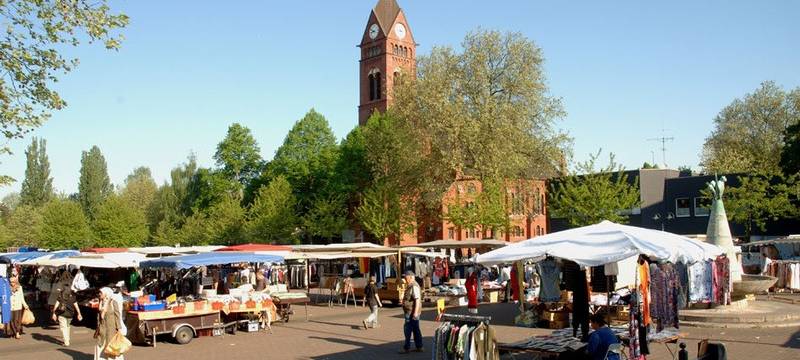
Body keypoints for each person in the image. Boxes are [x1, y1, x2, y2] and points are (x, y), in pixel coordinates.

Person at [95, 287, 124, 360]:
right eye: (99, 292)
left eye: (101, 293)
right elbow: (99, 317)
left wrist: (119, 328)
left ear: (106, 293)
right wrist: (98, 327)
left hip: (111, 330)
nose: (99, 294)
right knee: (100, 346)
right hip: (102, 330)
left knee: (112, 348)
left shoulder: (113, 303)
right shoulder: (101, 303)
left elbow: (117, 316)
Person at [399, 270, 423, 354]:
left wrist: (415, 312)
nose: (405, 279)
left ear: (411, 277)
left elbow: (417, 300)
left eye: (406, 277)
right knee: (416, 329)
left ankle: (407, 348)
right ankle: (419, 346)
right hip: (411, 311)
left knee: (407, 329)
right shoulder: (411, 285)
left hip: (411, 312)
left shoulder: (414, 286)